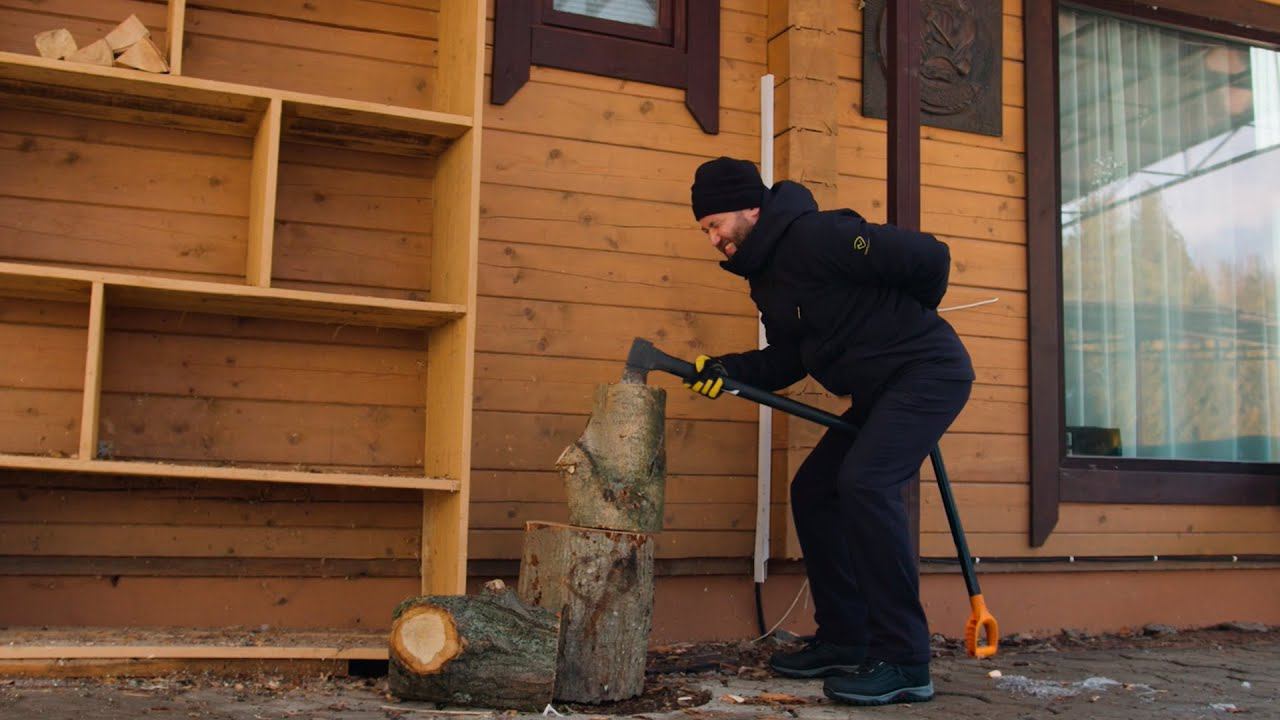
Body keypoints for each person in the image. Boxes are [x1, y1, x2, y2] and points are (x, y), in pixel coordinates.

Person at [685, 157, 974, 706]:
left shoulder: (820, 235)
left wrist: (912, 318)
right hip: (880, 393)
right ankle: (846, 638)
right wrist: (729, 372)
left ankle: (905, 659)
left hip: (926, 372)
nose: (713, 238)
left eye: (714, 224)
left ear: (750, 206)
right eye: (705, 230)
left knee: (865, 482)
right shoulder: (766, 279)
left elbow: (930, 256)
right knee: (815, 490)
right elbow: (791, 359)